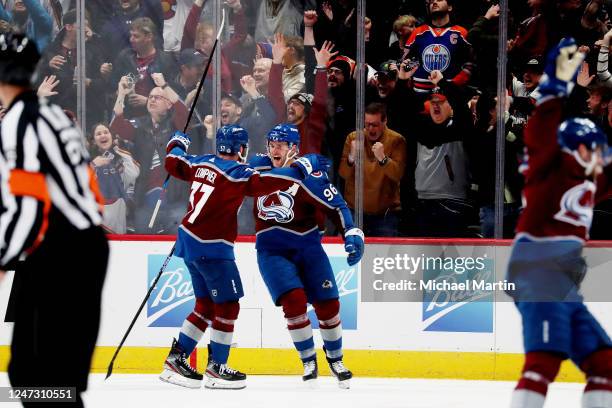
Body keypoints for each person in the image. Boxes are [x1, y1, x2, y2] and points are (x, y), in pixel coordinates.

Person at [159, 124, 328, 390]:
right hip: (212, 247)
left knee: (205, 304)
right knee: (228, 305)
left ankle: (176, 358)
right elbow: (267, 184)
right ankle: (217, 367)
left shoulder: (200, 162)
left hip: (188, 242)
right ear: (240, 148)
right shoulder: (237, 173)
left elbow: (173, 162)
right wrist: (299, 169)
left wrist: (177, 141)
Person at [0, 33, 108, 408]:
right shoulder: (49, 115)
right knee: (46, 375)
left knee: (40, 373)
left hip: (63, 251)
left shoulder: (20, 121)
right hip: (75, 247)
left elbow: (27, 205)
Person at [506, 38, 612, 408]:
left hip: (562, 279)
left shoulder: (591, 179)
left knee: (604, 363)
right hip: (537, 269)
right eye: (597, 147)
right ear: (578, 149)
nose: (603, 154)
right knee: (544, 361)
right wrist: (555, 86)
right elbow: (539, 131)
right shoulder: (548, 167)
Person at [250, 123, 364, 388]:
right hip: (272, 251)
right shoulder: (257, 169)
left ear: (294, 148)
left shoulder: (307, 174)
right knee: (294, 301)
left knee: (329, 306)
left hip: (308, 247)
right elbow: (226, 180)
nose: (273, 149)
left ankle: (335, 359)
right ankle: (308, 359)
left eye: (280, 144)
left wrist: (352, 232)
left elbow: (336, 204)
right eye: (271, 143)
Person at [339, 102, 407, 237]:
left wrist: (383, 159)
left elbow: (398, 174)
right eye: (367, 124)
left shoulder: (396, 140)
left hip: (385, 215)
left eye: (375, 124)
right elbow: (343, 174)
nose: (370, 129)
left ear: (385, 121)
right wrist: (351, 157)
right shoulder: (353, 138)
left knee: (383, 257)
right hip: (354, 212)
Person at [90, 123, 140, 234]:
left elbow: (133, 174)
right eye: (98, 134)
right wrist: (93, 165)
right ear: (93, 141)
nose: (103, 135)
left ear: (112, 137)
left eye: (106, 132)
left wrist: (119, 150)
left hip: (118, 209)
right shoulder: (87, 159)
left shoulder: (121, 158)